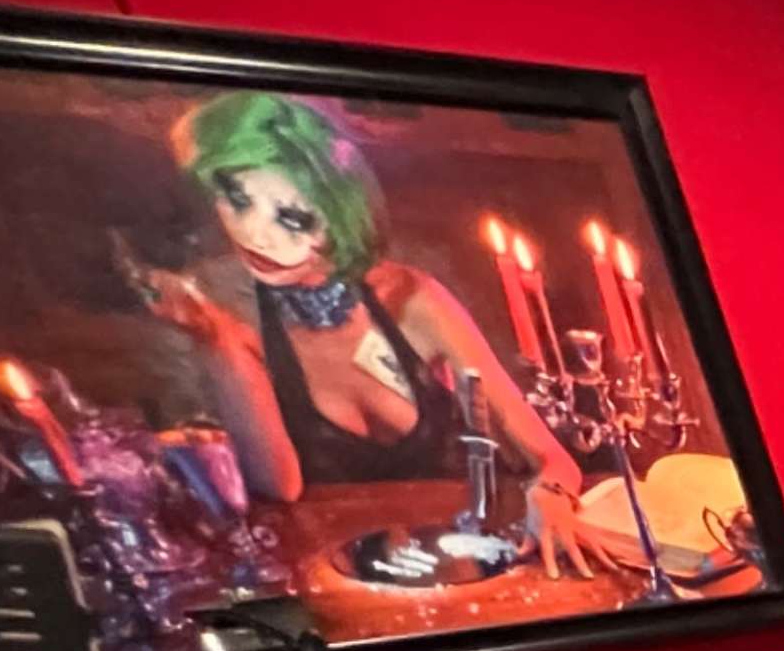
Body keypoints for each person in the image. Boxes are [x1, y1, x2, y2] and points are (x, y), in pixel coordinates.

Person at [121, 90, 596, 571]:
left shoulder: (413, 300)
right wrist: (216, 338)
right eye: (239, 200)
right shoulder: (235, 316)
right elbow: (280, 485)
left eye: (291, 217)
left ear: (341, 214)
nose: (255, 234)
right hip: (340, 578)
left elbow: (551, 459)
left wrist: (551, 496)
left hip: (467, 567)